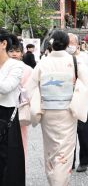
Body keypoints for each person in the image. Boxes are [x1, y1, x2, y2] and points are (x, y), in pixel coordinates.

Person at [27, 30, 88, 185]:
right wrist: (76, 92)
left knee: (51, 149)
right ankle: (61, 181)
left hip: (47, 111)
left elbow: (30, 87)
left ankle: (54, 180)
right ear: (67, 44)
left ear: (51, 44)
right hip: (68, 111)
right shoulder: (75, 61)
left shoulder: (43, 62)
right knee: (65, 150)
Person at [67, 33, 88, 173]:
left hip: (83, 97)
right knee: (68, 131)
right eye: (67, 42)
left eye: (72, 42)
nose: (69, 45)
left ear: (78, 43)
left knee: (84, 130)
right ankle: (69, 161)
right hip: (66, 98)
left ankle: (84, 160)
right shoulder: (62, 57)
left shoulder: (86, 58)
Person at [0, 29, 25, 186]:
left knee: (8, 162)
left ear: (3, 44)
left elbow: (6, 87)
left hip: (6, 116)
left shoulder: (15, 65)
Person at [8, 42, 33, 158]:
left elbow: (31, 91)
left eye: (17, 51)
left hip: (21, 108)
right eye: (11, 51)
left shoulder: (28, 70)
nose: (14, 54)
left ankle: (20, 168)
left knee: (21, 138)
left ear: (22, 53)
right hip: (5, 108)